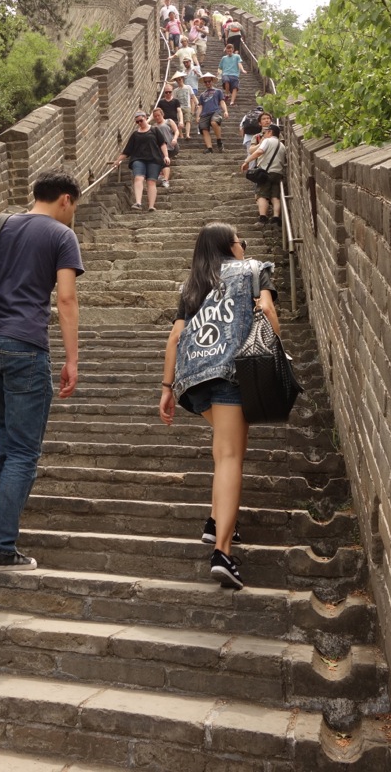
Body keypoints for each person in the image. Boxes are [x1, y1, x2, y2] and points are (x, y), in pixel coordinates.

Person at [0, 170, 84, 572]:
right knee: (25, 450)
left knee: (10, 428)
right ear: (65, 199)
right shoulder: (62, 236)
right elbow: (66, 299)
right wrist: (72, 359)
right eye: (74, 207)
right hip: (25, 346)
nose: (72, 215)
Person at [159, 223, 280, 588]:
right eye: (241, 240)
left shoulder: (193, 284)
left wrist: (167, 388)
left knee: (226, 450)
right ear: (230, 245)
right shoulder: (255, 269)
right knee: (229, 456)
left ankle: (216, 523)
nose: (244, 246)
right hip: (230, 373)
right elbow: (267, 311)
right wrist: (276, 357)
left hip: (193, 377)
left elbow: (176, 336)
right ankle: (223, 553)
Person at [114, 110, 170, 212]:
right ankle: (138, 203)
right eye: (137, 122)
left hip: (154, 159)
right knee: (138, 177)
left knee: (151, 181)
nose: (139, 123)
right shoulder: (135, 134)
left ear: (146, 118)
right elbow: (127, 150)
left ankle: (151, 206)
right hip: (138, 159)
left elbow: (162, 144)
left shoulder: (154, 130)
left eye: (141, 120)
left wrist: (166, 156)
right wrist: (117, 161)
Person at [240, 124, 287, 225]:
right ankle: (276, 217)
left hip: (266, 172)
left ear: (270, 132)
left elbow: (259, 152)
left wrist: (247, 161)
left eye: (265, 132)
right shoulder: (282, 145)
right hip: (278, 173)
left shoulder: (267, 141)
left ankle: (263, 217)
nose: (263, 134)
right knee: (275, 196)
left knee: (261, 195)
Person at [196, 73, 228, 154]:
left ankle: (219, 141)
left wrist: (225, 111)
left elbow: (222, 101)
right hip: (204, 114)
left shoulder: (218, 91)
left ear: (212, 81)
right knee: (204, 129)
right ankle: (209, 148)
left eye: (209, 81)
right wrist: (197, 116)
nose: (207, 83)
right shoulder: (202, 95)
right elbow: (200, 106)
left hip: (215, 111)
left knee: (214, 122)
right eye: (205, 82)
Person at [150, 106, 179, 188]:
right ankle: (164, 179)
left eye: (158, 115)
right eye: (155, 116)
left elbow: (176, 131)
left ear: (162, 114)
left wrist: (175, 139)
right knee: (164, 161)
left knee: (164, 161)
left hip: (171, 145)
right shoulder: (154, 126)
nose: (157, 117)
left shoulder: (169, 121)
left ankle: (163, 177)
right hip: (161, 148)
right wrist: (150, 119)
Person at [171, 70, 197, 139]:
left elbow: (193, 96)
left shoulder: (188, 87)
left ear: (182, 79)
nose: (179, 81)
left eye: (180, 79)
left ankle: (187, 134)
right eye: (177, 80)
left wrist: (197, 103)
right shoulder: (175, 91)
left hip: (187, 106)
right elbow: (174, 100)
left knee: (188, 120)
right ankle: (181, 135)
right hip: (179, 108)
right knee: (180, 120)